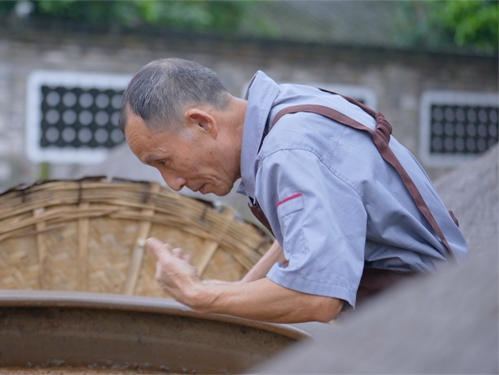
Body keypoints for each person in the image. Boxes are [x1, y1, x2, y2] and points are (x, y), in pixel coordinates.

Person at [119, 58, 469, 323]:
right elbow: (306, 233)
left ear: (202, 123)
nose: (174, 184)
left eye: (163, 162)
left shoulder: (287, 153)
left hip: (433, 323)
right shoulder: (285, 108)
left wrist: (199, 294)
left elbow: (317, 295)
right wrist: (235, 295)